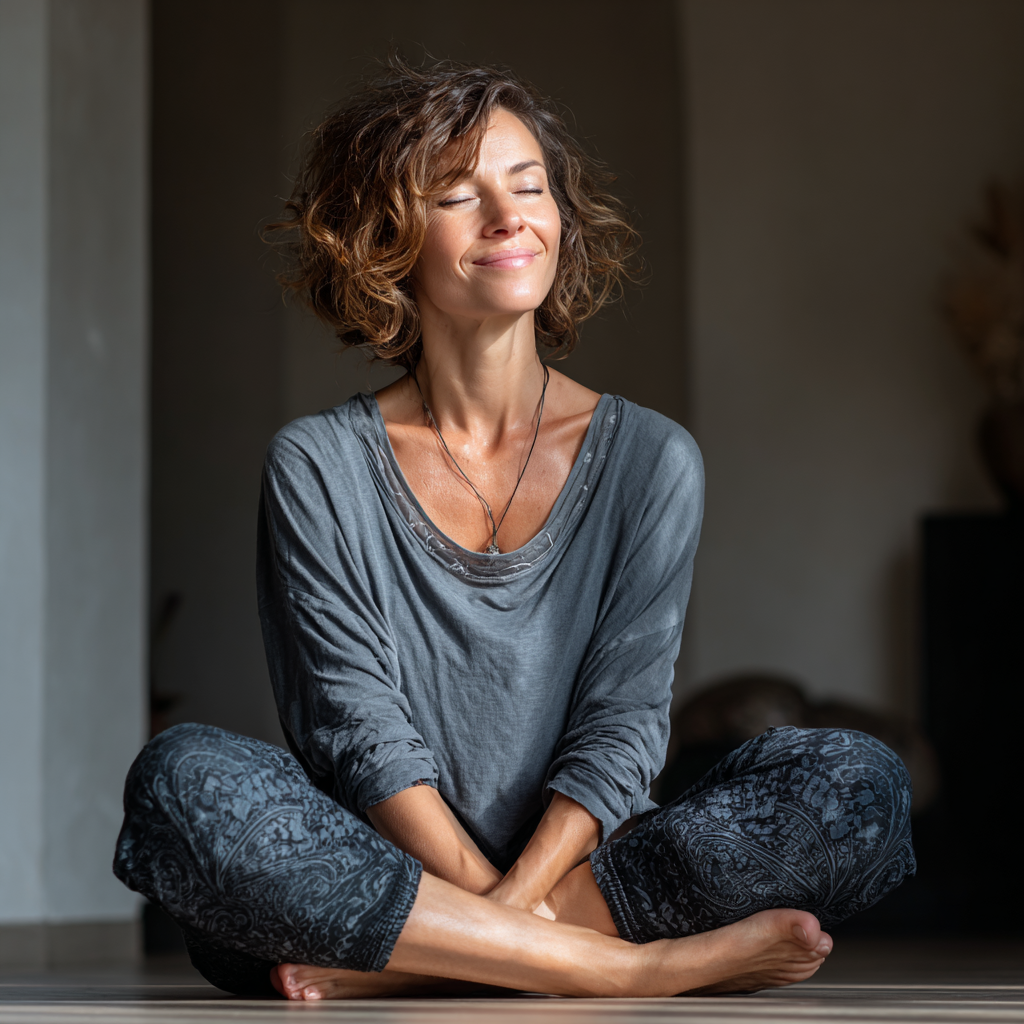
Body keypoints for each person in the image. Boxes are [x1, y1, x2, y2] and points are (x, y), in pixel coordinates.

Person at [113, 59, 915, 1000]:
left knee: (857, 784)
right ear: (385, 242)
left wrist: (515, 906)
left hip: (566, 880)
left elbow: (623, 728)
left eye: (528, 186)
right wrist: (603, 957)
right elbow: (355, 736)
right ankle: (618, 969)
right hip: (366, 877)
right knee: (184, 783)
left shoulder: (652, 459)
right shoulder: (317, 465)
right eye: (458, 195)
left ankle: (428, 965)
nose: (508, 217)